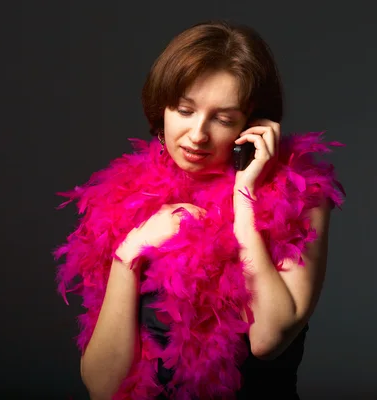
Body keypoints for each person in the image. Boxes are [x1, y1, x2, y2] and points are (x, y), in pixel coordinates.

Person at [54, 20, 345, 400]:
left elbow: (268, 339)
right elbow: (102, 386)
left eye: (223, 119)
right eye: (184, 110)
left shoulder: (301, 196)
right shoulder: (125, 198)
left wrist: (245, 200)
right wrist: (130, 252)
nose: (197, 134)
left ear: (253, 125)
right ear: (162, 109)